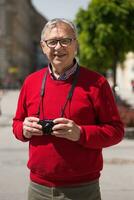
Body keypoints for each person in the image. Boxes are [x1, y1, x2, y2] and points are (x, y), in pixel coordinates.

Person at [12, 18, 124, 200]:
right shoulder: (30, 82)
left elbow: (116, 131)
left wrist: (80, 133)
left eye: (65, 40)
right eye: (52, 42)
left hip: (82, 189)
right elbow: (17, 123)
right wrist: (23, 130)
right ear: (43, 46)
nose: (59, 47)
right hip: (38, 188)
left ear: (76, 45)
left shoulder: (97, 83)